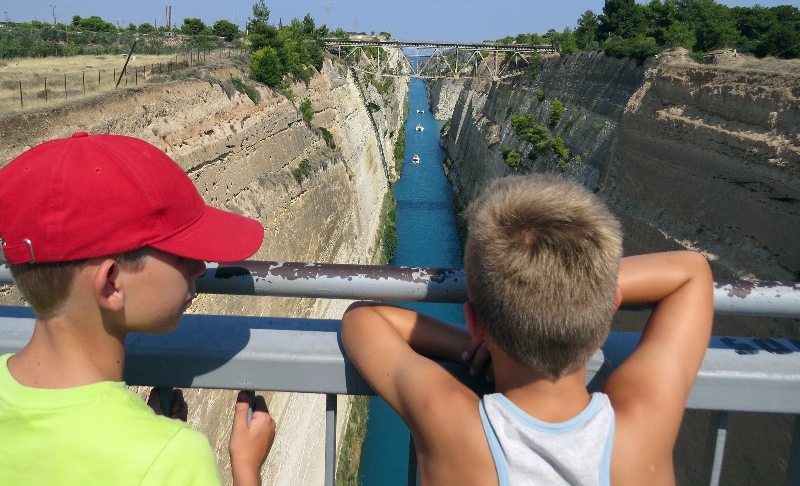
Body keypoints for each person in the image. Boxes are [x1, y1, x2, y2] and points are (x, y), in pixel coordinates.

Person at [342, 173, 713, 485]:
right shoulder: (643, 427)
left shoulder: (449, 422)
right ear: (611, 305)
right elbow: (692, 272)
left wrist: (468, 346)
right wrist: (587, 288)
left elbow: (363, 319)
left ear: (475, 322)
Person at [0, 132, 275, 486]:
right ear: (111, 283)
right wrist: (246, 469)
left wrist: (142, 435)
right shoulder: (173, 456)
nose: (200, 268)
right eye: (182, 254)